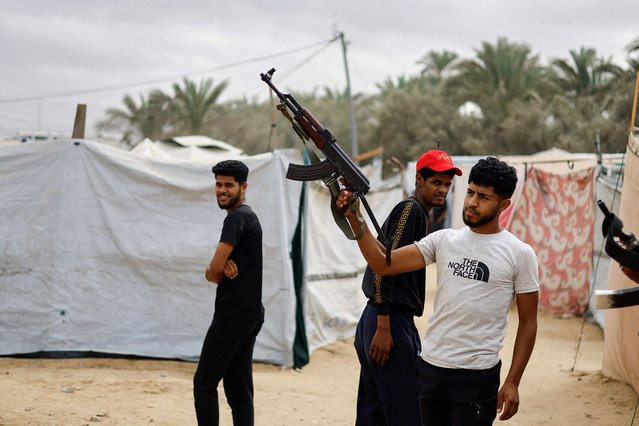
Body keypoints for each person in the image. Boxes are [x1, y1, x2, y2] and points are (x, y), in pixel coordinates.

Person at [337, 157, 539, 425]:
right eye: (470, 192)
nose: (472, 202)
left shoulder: (520, 254)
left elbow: (528, 322)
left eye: (483, 197)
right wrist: (355, 217)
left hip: (476, 377)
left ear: (503, 205)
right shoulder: (444, 240)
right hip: (431, 370)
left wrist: (513, 381)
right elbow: (382, 264)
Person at [353, 149, 462, 426]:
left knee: (373, 413)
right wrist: (384, 325)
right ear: (419, 180)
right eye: (436, 182)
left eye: (447, 185)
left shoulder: (418, 213)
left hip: (380, 318)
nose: (442, 190)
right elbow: (384, 267)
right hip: (389, 321)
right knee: (407, 413)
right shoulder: (411, 209)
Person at [193, 160, 264, 426]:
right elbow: (215, 271)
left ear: (243, 187)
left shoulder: (237, 218)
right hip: (249, 313)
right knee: (238, 388)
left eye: (228, 185)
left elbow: (212, 271)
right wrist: (219, 268)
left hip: (233, 314)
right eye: (218, 184)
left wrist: (217, 268)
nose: (221, 190)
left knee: (204, 384)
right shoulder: (248, 217)